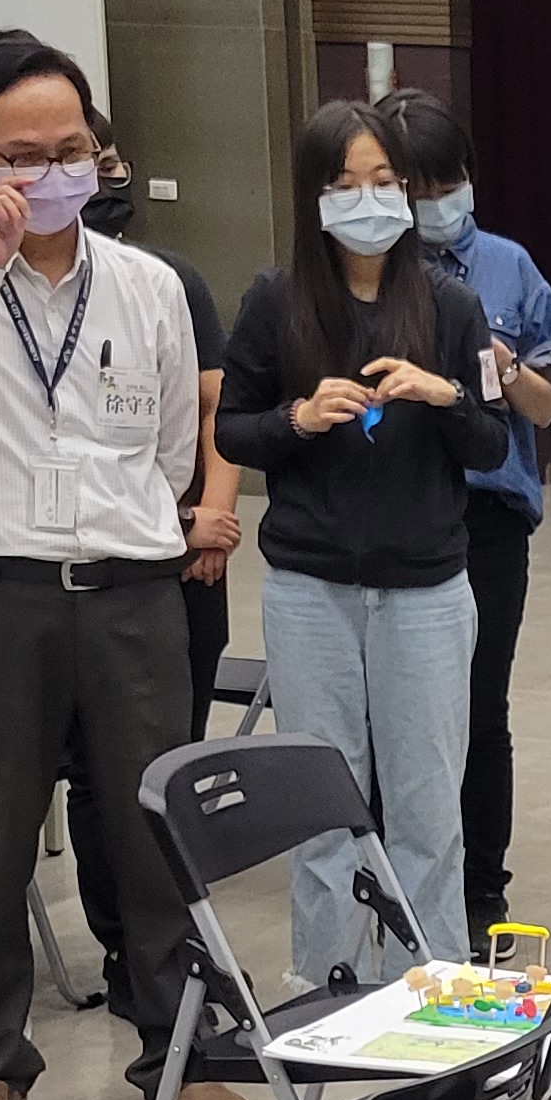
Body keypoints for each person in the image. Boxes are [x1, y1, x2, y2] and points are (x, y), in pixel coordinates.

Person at [0, 27, 235, 1100]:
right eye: (23, 155)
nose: (51, 173)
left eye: (72, 148)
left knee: (149, 830)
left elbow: (175, 441)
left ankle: (175, 1048)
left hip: (131, 592)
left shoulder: (148, 284)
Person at [217, 100, 507, 979]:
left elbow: (494, 443)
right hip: (313, 589)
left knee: (427, 809)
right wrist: (298, 418)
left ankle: (434, 988)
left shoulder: (451, 304)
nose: (368, 200)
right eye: (345, 185)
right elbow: (233, 431)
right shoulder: (276, 299)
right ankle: (330, 989)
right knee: (322, 807)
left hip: (426, 590)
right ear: (314, 197)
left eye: (384, 182)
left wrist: (445, 395)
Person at [60, 111, 244, 1016]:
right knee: (92, 781)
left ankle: (168, 969)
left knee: (161, 767)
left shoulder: (169, 280)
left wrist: (210, 510)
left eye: (106, 160)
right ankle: (117, 950)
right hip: (60, 571)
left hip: (171, 558)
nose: (100, 176)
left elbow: (214, 409)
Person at [381, 88, 551, 940]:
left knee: (477, 704)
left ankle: (480, 882)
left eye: (446, 183)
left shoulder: (509, 267)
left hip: (487, 516)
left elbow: (544, 409)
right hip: (387, 505)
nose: (434, 205)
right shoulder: (357, 267)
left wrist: (498, 365)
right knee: (392, 704)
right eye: (414, 189)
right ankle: (387, 873)